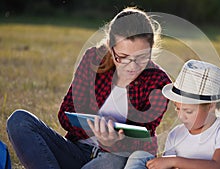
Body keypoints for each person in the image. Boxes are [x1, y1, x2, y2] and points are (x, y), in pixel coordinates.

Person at [6, 7, 171, 169]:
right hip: (76, 151)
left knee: (116, 160)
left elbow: (145, 138)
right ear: (110, 47)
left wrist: (113, 143)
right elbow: (65, 114)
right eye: (123, 57)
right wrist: (94, 132)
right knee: (19, 121)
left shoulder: (158, 82)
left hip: (115, 159)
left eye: (142, 58)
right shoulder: (93, 59)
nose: (132, 66)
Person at [124, 59, 220, 169]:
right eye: (178, 109)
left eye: (188, 111)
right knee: (140, 157)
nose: (181, 116)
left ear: (211, 106)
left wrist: (174, 161)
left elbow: (219, 166)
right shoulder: (176, 134)